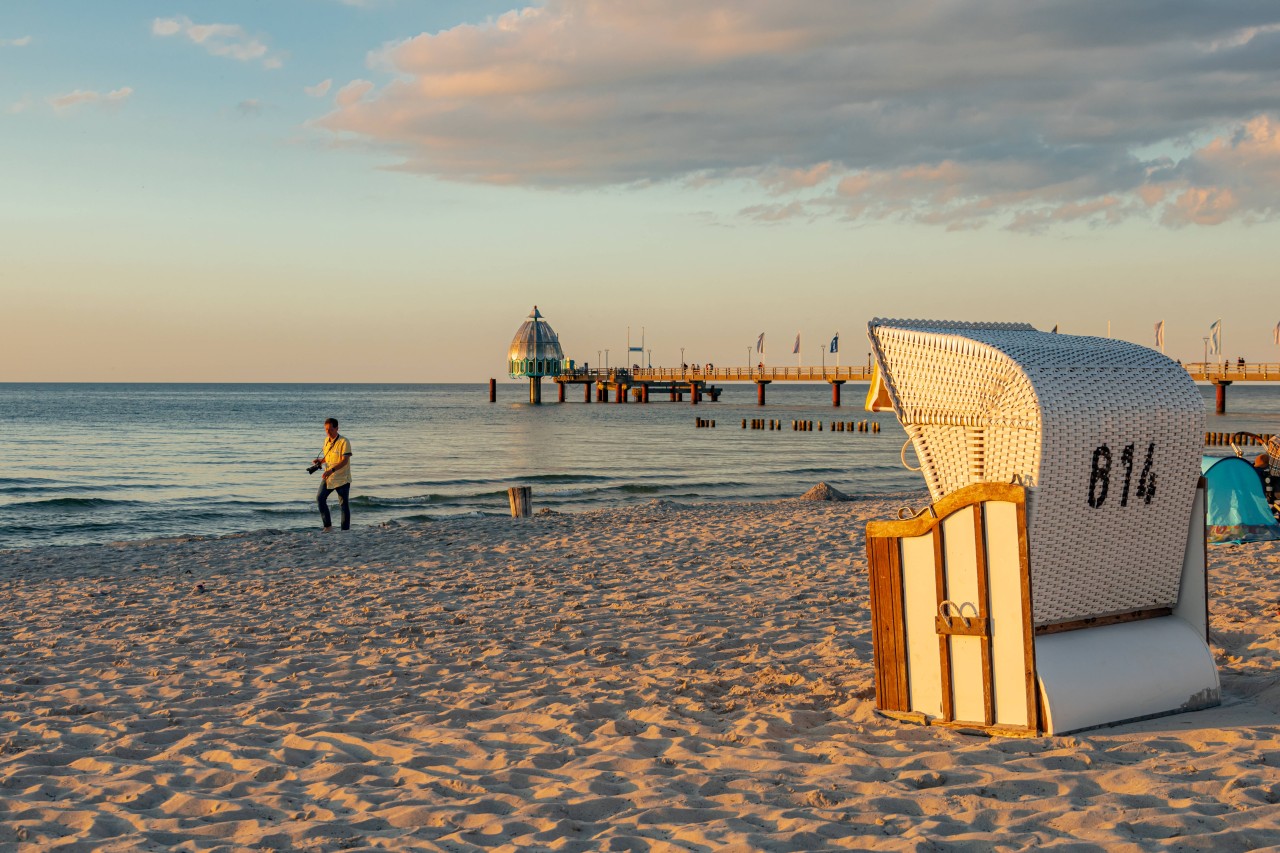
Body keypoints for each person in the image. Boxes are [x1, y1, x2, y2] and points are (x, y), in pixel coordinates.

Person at [314, 417, 353, 531]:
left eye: (330, 429)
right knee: (320, 498)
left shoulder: (344, 441)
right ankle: (328, 526)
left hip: (342, 478)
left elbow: (344, 460)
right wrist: (321, 461)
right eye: (326, 429)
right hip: (329, 477)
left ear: (337, 428)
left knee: (343, 505)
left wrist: (331, 470)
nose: (328, 432)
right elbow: (329, 457)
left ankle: (345, 531)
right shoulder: (326, 441)